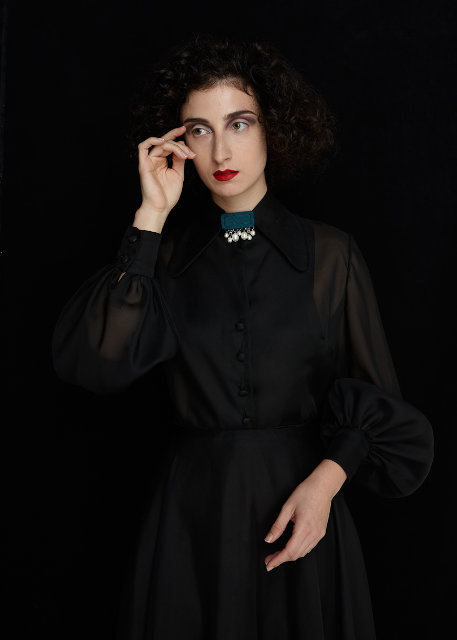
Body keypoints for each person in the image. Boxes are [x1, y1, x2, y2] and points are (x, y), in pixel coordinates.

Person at [52, 34, 434, 640]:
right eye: (199, 130)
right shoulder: (161, 258)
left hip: (304, 518)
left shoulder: (330, 254)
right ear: (179, 142)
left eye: (239, 123)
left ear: (272, 129)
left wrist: (325, 485)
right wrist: (151, 217)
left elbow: (380, 404)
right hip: (191, 524)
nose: (221, 150)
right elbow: (94, 364)